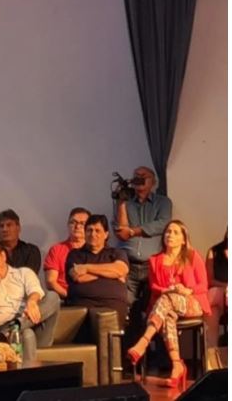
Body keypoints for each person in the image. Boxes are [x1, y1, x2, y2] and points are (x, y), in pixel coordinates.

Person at [127, 220, 210, 389]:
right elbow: (153, 286)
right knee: (168, 316)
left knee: (167, 300)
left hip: (192, 302)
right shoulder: (155, 260)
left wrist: (187, 290)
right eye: (168, 232)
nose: (170, 235)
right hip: (166, 305)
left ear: (184, 239)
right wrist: (166, 290)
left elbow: (203, 285)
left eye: (175, 232)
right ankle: (177, 364)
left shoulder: (192, 256)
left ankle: (144, 341)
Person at [0, 240, 60, 362]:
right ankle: (14, 331)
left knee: (53, 296)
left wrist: (32, 302)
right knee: (27, 333)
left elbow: (35, 290)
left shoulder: (23, 273)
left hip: (37, 330)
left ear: (3, 256)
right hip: (5, 336)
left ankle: (14, 326)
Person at [114, 166, 172, 349]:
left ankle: (156, 355)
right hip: (128, 264)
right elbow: (121, 232)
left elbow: (162, 224)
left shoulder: (163, 202)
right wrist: (121, 203)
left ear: (153, 182)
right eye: (136, 176)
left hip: (152, 265)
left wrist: (134, 231)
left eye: (143, 176)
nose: (139, 179)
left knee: (155, 308)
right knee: (125, 306)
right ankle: (129, 353)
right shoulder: (126, 203)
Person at [65, 215, 130, 326]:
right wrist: (111, 274)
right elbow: (79, 277)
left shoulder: (116, 253)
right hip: (82, 303)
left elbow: (121, 270)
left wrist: (86, 268)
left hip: (113, 303)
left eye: (97, 231)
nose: (93, 234)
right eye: (89, 230)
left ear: (106, 234)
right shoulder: (75, 254)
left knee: (108, 322)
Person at [44, 207, 90, 300]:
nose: (77, 227)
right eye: (73, 222)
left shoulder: (96, 250)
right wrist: (69, 296)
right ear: (68, 225)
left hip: (92, 298)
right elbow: (50, 281)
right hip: (64, 297)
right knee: (51, 297)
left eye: (82, 223)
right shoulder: (56, 250)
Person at [0, 209, 41, 274]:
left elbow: (29, 276)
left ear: (18, 228)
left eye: (9, 225)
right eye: (1, 226)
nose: (4, 229)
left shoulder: (31, 251)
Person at [205, 231, 227, 348]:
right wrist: (226, 286)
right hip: (218, 297)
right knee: (212, 310)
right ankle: (212, 352)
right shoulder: (214, 251)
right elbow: (209, 280)